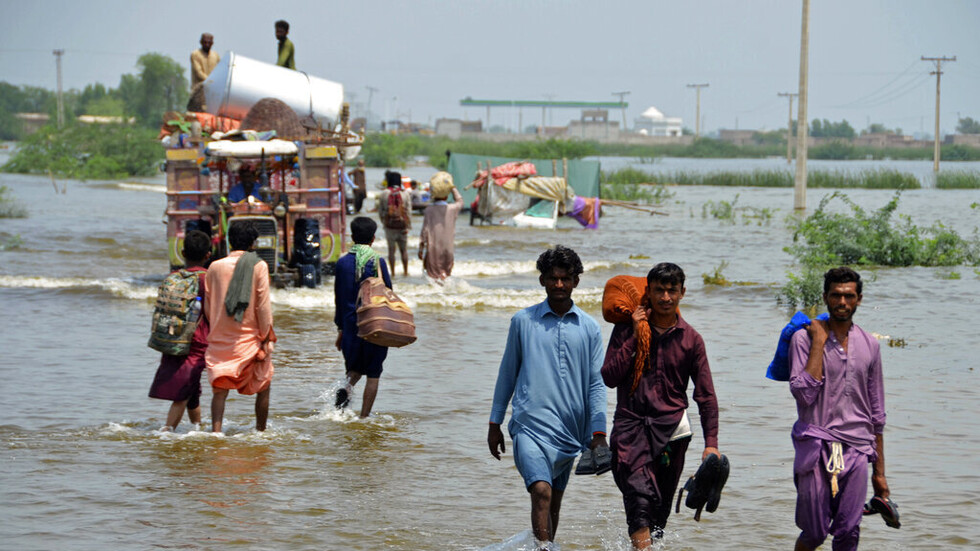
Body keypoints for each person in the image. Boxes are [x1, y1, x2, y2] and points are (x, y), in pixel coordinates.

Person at [488, 245, 607, 551]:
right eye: (552, 278)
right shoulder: (523, 322)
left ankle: (545, 547)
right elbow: (507, 374)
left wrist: (598, 433)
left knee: (553, 503)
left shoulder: (590, 328)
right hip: (529, 428)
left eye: (565, 279)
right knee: (540, 491)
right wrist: (495, 421)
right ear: (541, 280)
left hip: (571, 434)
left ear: (575, 282)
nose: (558, 285)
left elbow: (596, 384)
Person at [601, 262, 720, 550]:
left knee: (659, 515)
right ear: (649, 292)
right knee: (640, 499)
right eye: (659, 291)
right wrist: (633, 332)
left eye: (671, 291)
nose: (665, 297)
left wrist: (711, 443)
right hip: (631, 430)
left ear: (682, 293)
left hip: (672, 434)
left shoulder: (691, 339)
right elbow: (609, 376)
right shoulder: (626, 330)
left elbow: (705, 395)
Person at [789, 267, 889, 551]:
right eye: (836, 296)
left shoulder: (870, 344)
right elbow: (804, 394)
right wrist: (819, 342)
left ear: (859, 299)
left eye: (848, 296)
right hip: (814, 444)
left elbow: (877, 414)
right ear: (825, 297)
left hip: (857, 447)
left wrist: (880, 474)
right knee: (814, 532)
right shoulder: (803, 340)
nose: (842, 302)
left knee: (848, 532)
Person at [205, 221, 275, 433]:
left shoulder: (215, 266)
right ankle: (260, 432)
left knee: (219, 391)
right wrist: (266, 336)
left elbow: (209, 305)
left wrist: (217, 327)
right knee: (264, 386)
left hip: (220, 337)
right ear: (254, 243)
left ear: (229, 241)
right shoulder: (258, 265)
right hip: (249, 338)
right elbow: (262, 305)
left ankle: (216, 433)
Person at [148, 230, 212, 431]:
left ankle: (197, 429)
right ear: (208, 255)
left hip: (173, 337)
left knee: (192, 390)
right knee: (183, 391)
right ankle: (167, 432)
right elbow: (211, 311)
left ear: (183, 253)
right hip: (197, 340)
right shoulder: (206, 279)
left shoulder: (173, 277)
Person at [333, 217, 393, 418]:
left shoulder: (342, 263)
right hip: (373, 324)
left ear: (352, 236)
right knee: (374, 373)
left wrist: (340, 330)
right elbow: (388, 292)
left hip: (351, 327)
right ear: (373, 238)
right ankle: (364, 417)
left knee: (354, 370)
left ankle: (340, 408)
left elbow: (339, 299)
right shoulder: (377, 261)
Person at [418, 171, 463, 281]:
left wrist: (421, 247)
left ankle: (436, 296)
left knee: (433, 276)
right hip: (448, 248)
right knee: (446, 275)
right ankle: (446, 295)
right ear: (447, 195)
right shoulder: (452, 209)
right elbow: (460, 200)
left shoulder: (429, 210)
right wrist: (452, 187)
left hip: (433, 248)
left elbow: (424, 231)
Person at [377, 170, 411, 279]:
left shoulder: (384, 193)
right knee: (404, 250)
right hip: (402, 226)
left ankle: (392, 273)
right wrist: (407, 225)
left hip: (389, 227)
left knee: (391, 251)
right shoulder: (405, 194)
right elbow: (409, 211)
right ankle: (405, 272)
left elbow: (381, 211)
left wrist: (384, 222)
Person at [187, 33, 219, 112]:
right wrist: (210, 81)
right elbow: (198, 72)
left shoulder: (215, 56)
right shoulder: (195, 54)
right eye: (205, 42)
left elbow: (220, 72)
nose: (207, 44)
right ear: (201, 42)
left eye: (209, 42)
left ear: (212, 43)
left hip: (212, 92)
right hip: (198, 91)